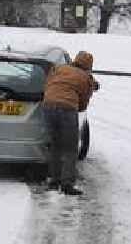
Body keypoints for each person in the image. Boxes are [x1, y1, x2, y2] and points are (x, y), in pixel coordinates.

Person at [42, 51, 97, 196]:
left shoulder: (59, 68)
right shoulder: (85, 77)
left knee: (55, 145)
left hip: (48, 106)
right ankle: (67, 184)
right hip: (67, 109)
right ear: (88, 65)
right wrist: (78, 108)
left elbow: (48, 83)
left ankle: (53, 180)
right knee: (70, 148)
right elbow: (84, 101)